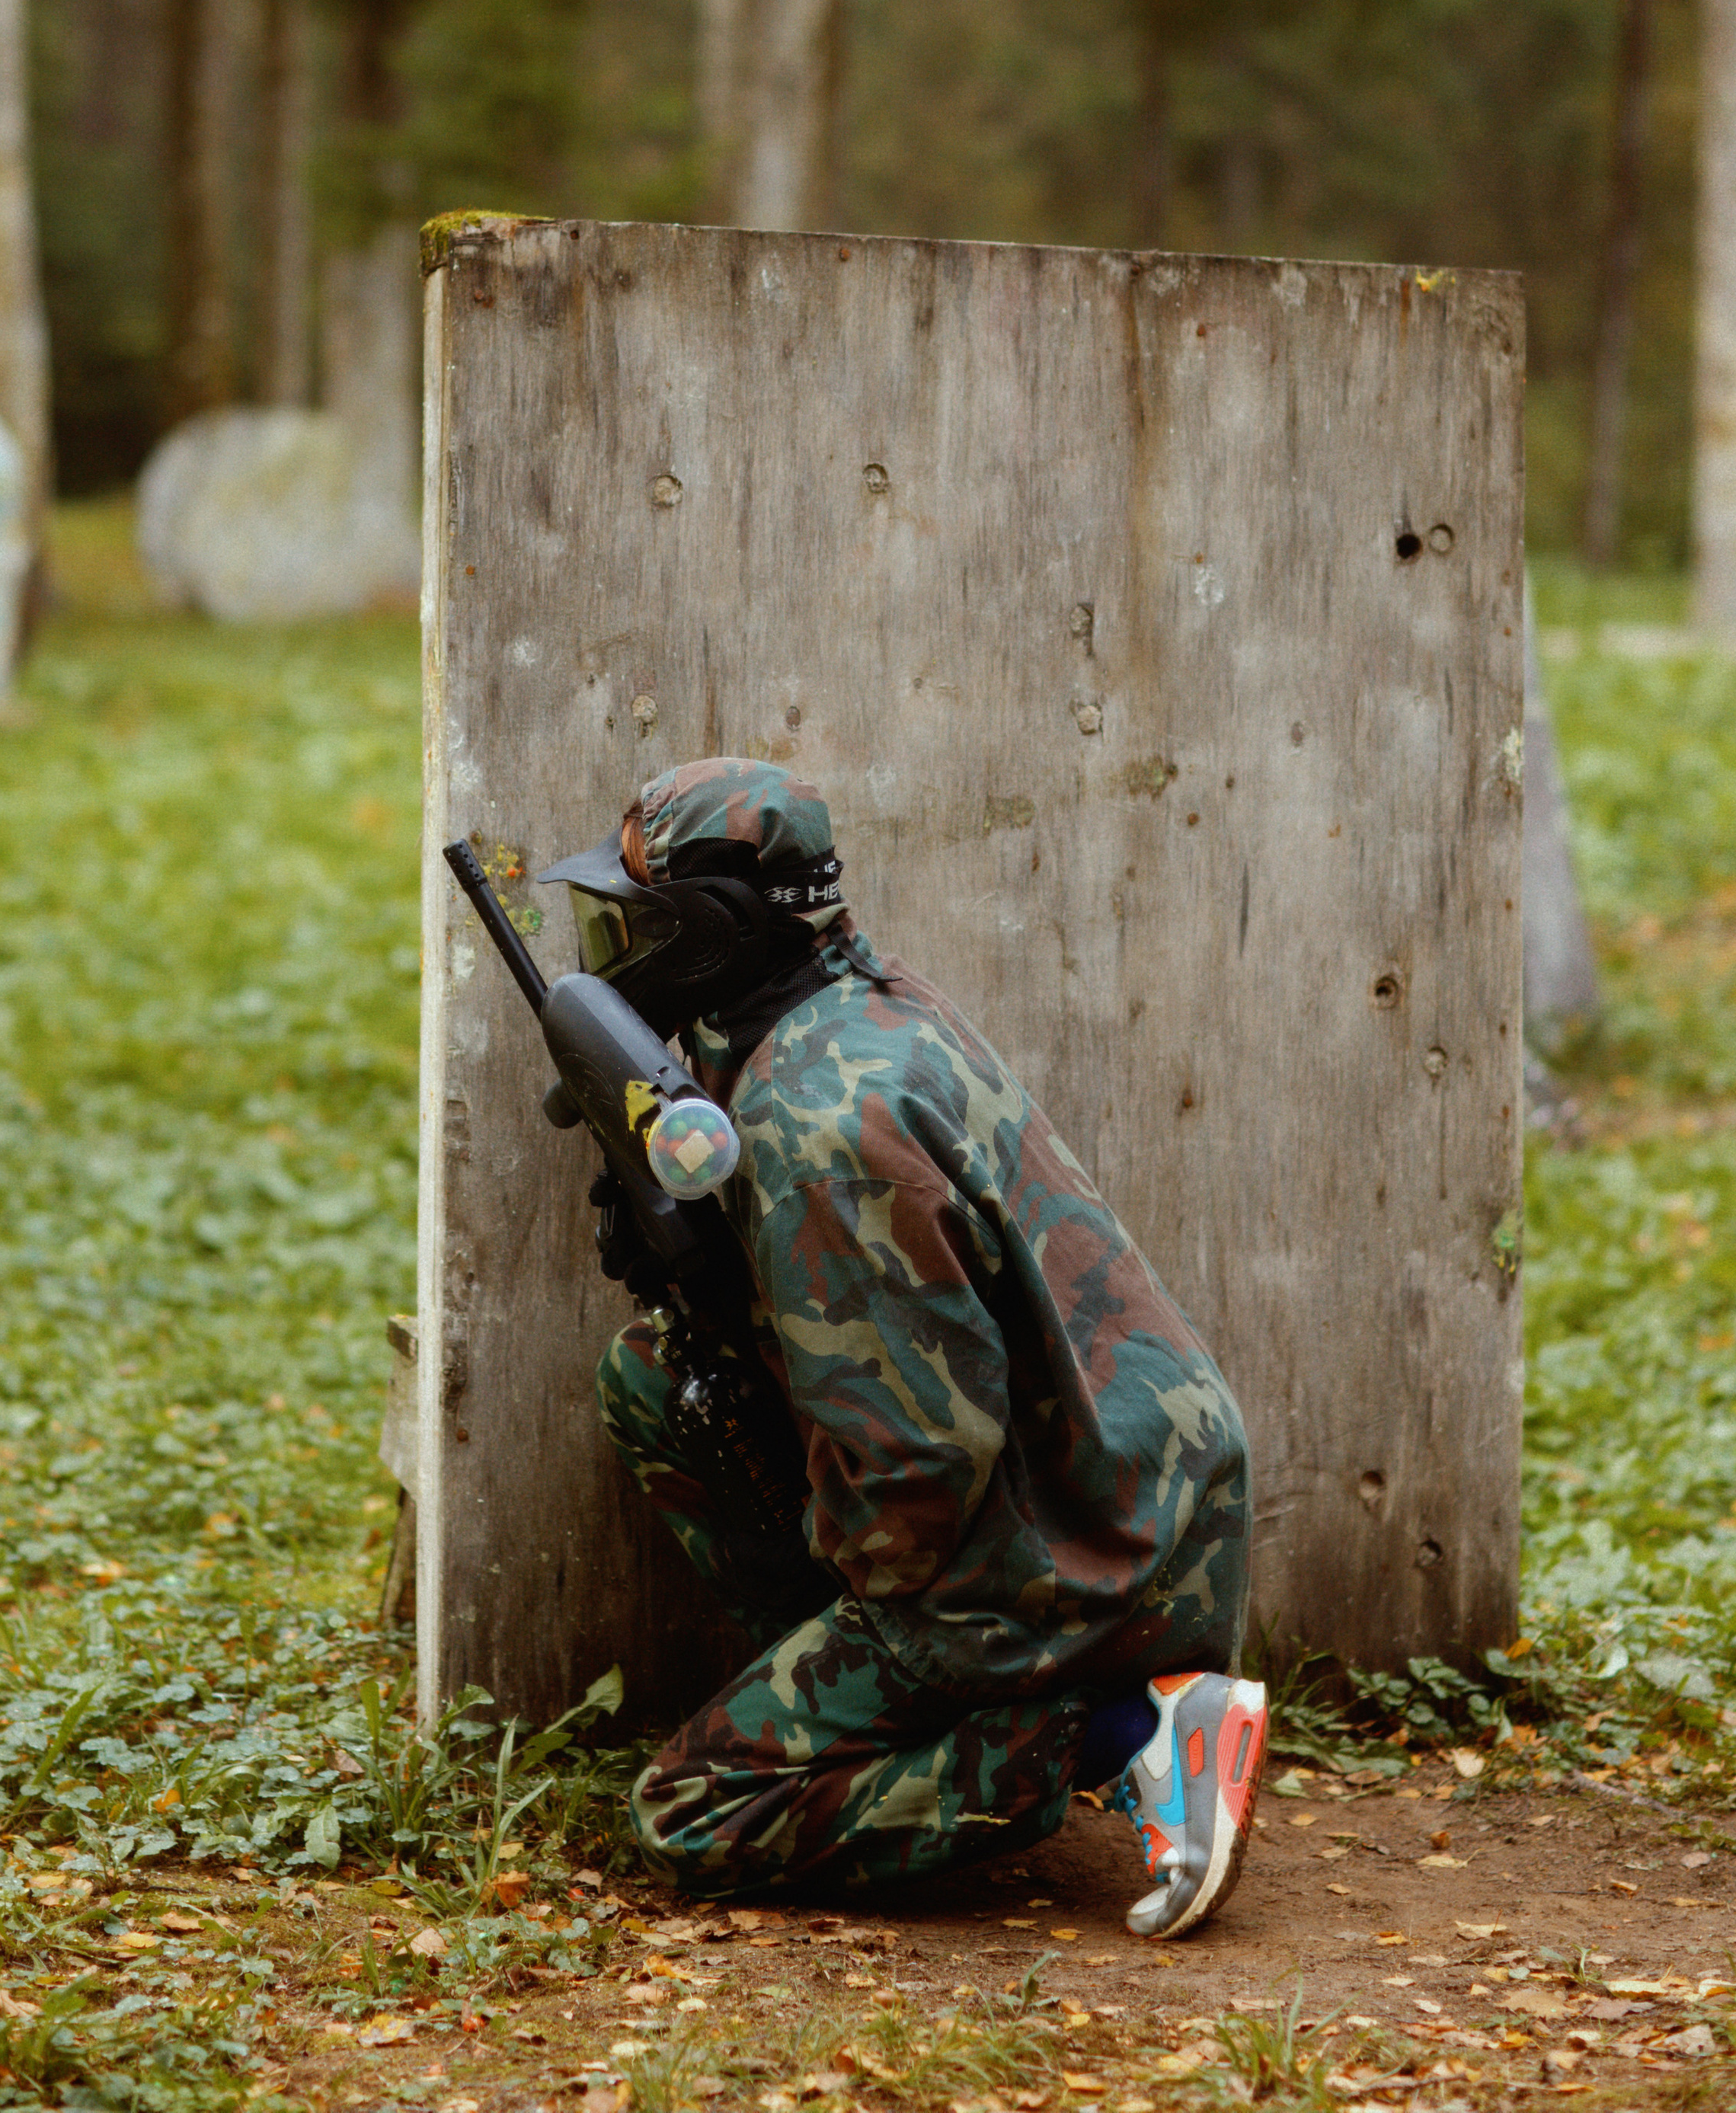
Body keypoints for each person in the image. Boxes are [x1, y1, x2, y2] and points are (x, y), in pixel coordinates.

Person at [538, 756, 1264, 1932]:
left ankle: (1116, 1733)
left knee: (693, 1811)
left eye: (635, 922)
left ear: (712, 932)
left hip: (1082, 1564)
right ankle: (931, 1706)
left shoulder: (816, 1129)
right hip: (1127, 1490)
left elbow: (921, 1463)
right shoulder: (854, 1006)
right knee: (663, 1381)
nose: (616, 948)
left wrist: (865, 1599)